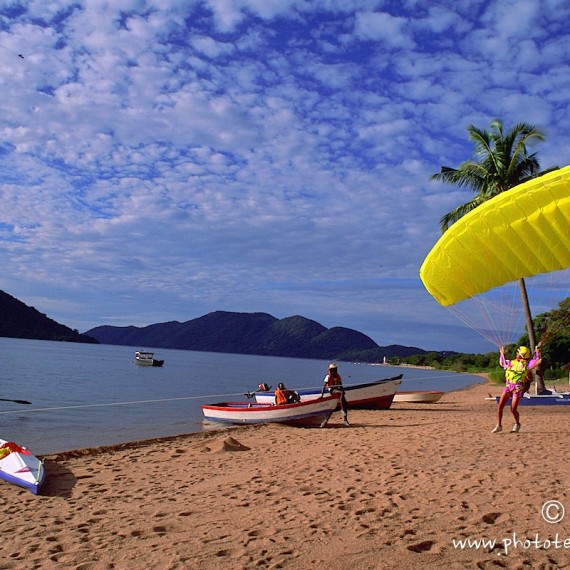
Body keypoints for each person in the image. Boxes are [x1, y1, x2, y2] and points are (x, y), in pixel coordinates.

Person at [492, 344, 542, 434]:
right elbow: (502, 363)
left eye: (518, 352)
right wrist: (502, 353)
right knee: (500, 406)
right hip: (508, 386)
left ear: (521, 354)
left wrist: (537, 351)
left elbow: (537, 360)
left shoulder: (527, 365)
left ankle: (517, 424)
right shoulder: (512, 362)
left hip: (517, 388)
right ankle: (499, 425)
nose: (516, 353)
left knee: (513, 409)